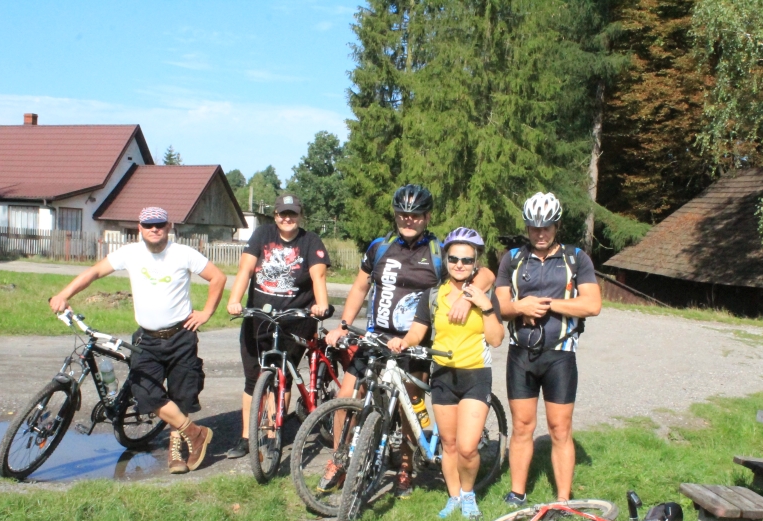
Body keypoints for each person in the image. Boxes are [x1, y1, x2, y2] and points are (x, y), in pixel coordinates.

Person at [320, 184, 496, 497]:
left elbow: (485, 275)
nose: (408, 220)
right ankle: (339, 459)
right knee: (346, 397)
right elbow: (360, 288)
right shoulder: (380, 247)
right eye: (403, 214)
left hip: (414, 343)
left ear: (427, 217)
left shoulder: (438, 252)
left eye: (415, 215)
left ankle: (405, 467)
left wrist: (467, 298)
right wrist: (343, 326)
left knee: (409, 406)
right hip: (376, 337)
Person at [49, 206, 226, 474]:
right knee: (145, 394)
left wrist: (207, 312)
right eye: (148, 225)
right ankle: (195, 433)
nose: (154, 229)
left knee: (181, 395)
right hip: (147, 339)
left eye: (160, 224)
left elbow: (218, 277)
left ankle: (176, 449)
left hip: (181, 336)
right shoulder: (130, 253)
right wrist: (64, 294)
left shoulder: (183, 253)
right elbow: (94, 272)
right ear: (139, 228)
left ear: (169, 227)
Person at [387, 227, 504, 518]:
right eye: (454, 259)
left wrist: (486, 307)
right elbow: (418, 331)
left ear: (475, 262)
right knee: (449, 445)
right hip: (442, 375)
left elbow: (496, 339)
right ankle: (454, 497)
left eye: (466, 260)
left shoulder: (483, 295)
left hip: (475, 375)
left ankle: (468, 494)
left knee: (467, 448)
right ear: (446, 260)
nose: (459, 265)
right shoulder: (433, 296)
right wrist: (404, 341)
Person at [495, 192, 602, 505]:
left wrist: (546, 304)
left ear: (557, 226)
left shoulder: (575, 258)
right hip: (521, 354)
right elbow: (499, 307)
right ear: (527, 227)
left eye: (546, 227)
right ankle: (517, 492)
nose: (540, 234)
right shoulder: (512, 258)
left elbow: (592, 304)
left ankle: (563, 499)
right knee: (522, 426)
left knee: (560, 428)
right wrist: (520, 306)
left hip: (560, 355)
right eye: (534, 227)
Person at [224, 193, 330, 458]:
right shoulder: (262, 234)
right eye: (283, 213)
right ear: (275, 215)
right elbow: (246, 269)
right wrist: (234, 300)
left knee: (282, 376)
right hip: (258, 317)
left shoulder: (310, 240)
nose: (287, 218)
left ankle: (273, 436)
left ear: (300, 216)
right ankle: (247, 438)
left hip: (295, 321)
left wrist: (321, 305)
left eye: (292, 214)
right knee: (253, 379)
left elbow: (318, 276)